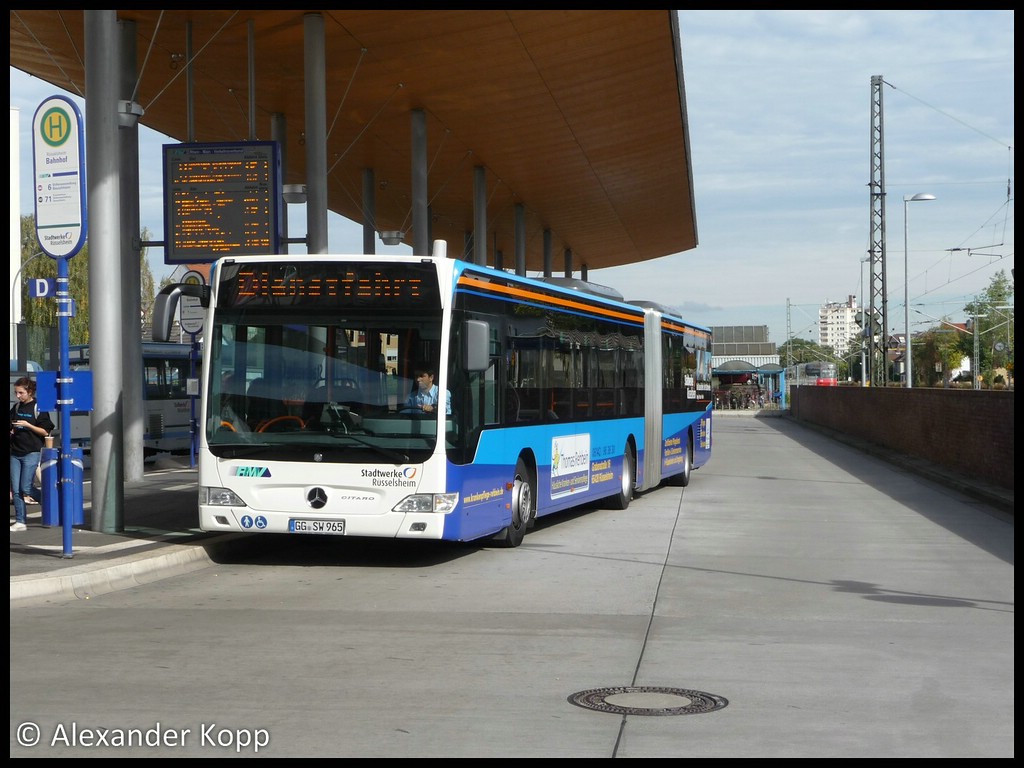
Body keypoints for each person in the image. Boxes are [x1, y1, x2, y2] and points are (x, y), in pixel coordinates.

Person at [10, 376, 54, 532]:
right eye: (16, 393)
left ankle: (51, 507)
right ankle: (20, 521)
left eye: (21, 393)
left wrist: (28, 425)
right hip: (15, 452)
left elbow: (45, 431)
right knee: (16, 489)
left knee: (26, 488)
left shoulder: (39, 408)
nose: (18, 396)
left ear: (29, 391)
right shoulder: (16, 408)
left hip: (32, 452)